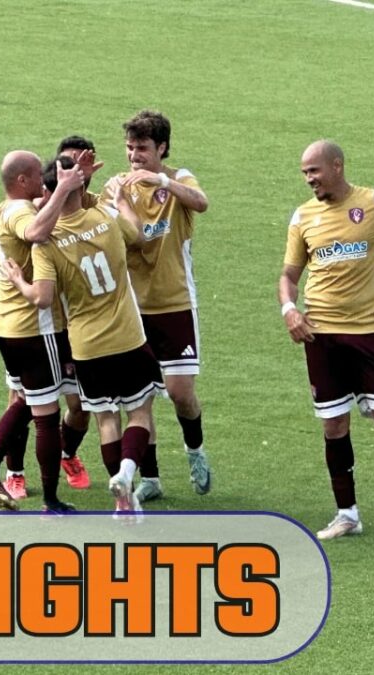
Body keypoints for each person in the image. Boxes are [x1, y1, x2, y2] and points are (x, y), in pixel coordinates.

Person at [278, 140, 374, 540]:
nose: (309, 179)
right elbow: (289, 276)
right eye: (304, 173)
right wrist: (289, 309)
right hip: (321, 335)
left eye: (314, 171)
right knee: (333, 425)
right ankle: (347, 514)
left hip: (368, 331)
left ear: (337, 166)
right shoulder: (303, 217)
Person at [4, 156, 161, 522]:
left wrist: (18, 281)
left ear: (48, 192)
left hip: (87, 346)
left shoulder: (46, 244)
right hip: (127, 335)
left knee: (106, 419)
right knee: (140, 412)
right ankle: (126, 474)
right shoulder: (104, 217)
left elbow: (43, 297)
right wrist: (121, 201)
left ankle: (122, 503)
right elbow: (138, 235)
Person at [99, 110, 211, 503]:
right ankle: (151, 478)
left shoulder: (178, 179)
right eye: (130, 148)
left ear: (162, 148)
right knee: (139, 399)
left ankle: (195, 451)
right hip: (132, 309)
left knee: (181, 393)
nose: (134, 156)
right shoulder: (114, 187)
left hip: (175, 302)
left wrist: (161, 181)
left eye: (142, 148)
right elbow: (117, 235)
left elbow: (201, 203)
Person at [0, 150, 88, 515]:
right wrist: (63, 188)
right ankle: (50, 499)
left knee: (26, 399)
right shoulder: (21, 212)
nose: (44, 178)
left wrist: (71, 187)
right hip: (36, 327)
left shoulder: (1, 210)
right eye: (38, 174)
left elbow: (40, 209)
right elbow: (36, 231)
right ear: (22, 180)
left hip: (7, 325)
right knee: (46, 416)